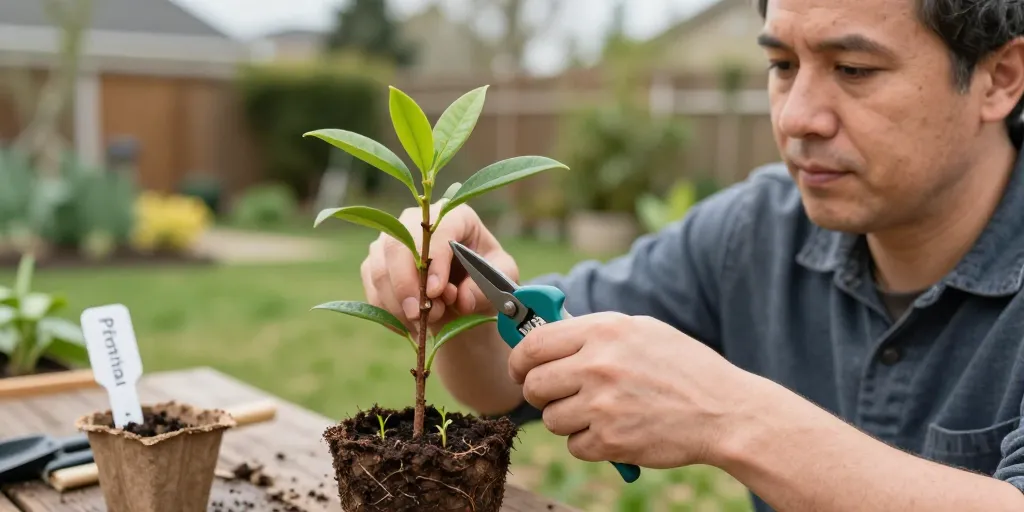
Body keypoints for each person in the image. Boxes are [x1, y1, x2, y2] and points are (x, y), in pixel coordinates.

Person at [359, 0, 1024, 510]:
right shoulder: (754, 231)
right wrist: (466, 308)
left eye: (853, 70)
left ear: (1000, 77)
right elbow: (508, 385)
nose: (796, 117)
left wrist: (733, 417)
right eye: (782, 65)